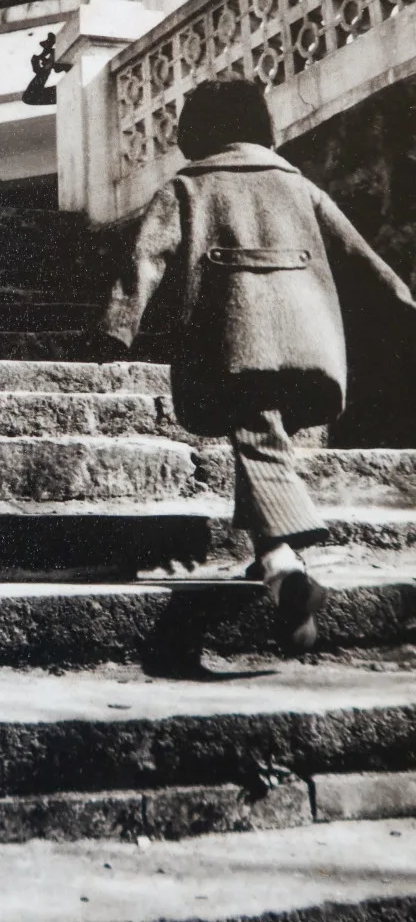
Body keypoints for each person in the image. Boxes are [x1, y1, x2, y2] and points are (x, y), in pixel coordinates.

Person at [99, 77, 416, 654]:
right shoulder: (300, 185)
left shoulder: (186, 187)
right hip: (309, 343)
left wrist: (117, 329)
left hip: (235, 345)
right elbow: (360, 257)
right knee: (263, 437)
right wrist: (404, 306)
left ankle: (284, 566)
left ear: (197, 131)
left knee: (257, 433)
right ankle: (273, 560)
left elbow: (144, 260)